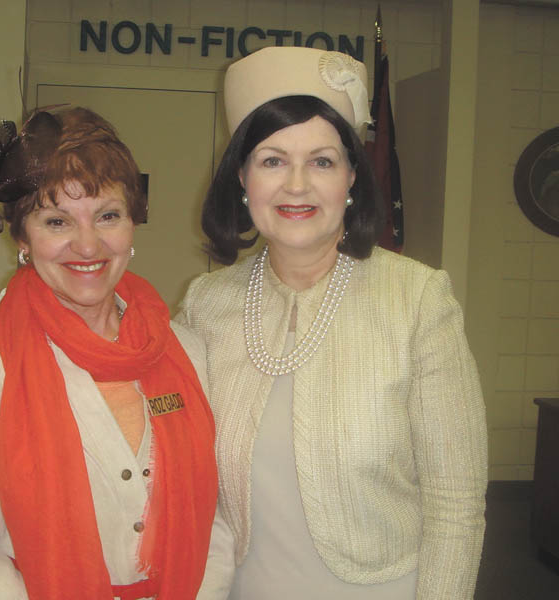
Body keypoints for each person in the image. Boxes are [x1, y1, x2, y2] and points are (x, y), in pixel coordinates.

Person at [176, 46, 488, 599]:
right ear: (242, 178)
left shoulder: (417, 300)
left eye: (321, 161)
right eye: (272, 159)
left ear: (351, 178)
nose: (297, 185)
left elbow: (456, 502)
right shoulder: (205, 305)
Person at [0, 107, 234, 599]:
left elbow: (216, 515)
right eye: (57, 221)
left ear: (133, 224)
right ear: (23, 238)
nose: (87, 245)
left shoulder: (188, 350)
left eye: (108, 216)